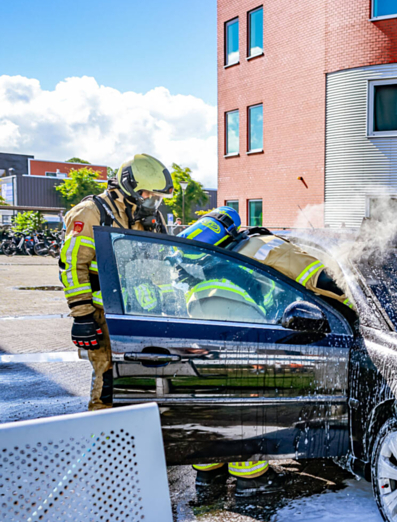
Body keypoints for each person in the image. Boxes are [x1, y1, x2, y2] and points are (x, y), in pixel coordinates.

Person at [177, 207, 348, 492]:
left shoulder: (203, 261)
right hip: (244, 331)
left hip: (203, 333)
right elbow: (320, 278)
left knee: (217, 400)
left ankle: (209, 475)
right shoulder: (265, 245)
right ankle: (252, 480)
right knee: (249, 399)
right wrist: (353, 302)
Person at [60, 154, 173, 410]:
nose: (154, 201)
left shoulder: (150, 217)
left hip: (142, 313)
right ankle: (104, 439)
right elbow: (72, 265)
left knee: (141, 382)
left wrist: (169, 302)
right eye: (149, 194)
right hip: (103, 314)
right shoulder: (91, 213)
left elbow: (161, 264)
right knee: (108, 383)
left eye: (158, 197)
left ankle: (139, 438)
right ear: (129, 187)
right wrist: (82, 317)